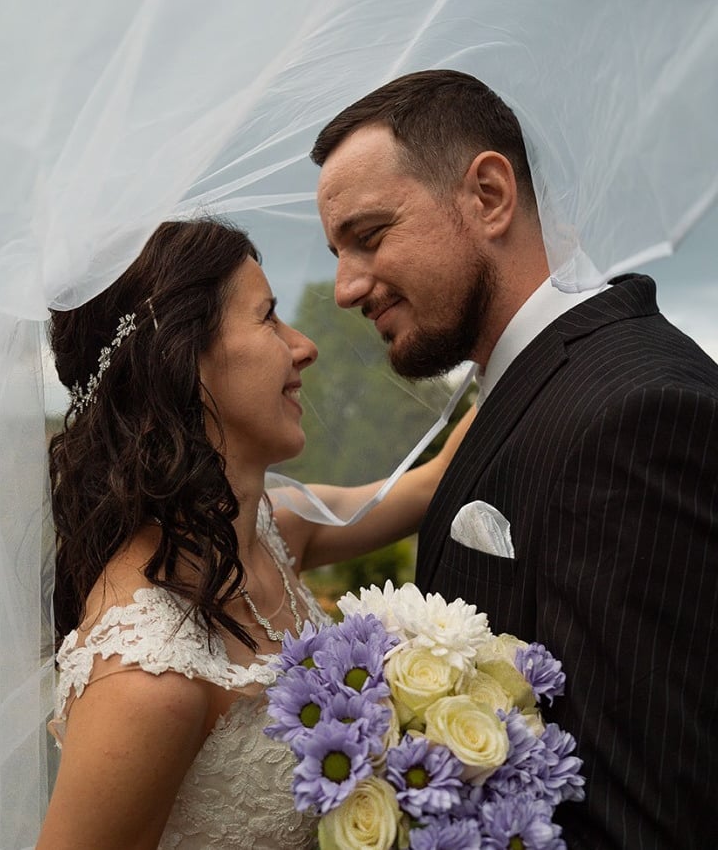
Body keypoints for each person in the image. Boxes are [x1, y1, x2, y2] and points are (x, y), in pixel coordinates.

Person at [311, 69, 718, 849]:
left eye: (368, 236)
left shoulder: (635, 415)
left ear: (489, 195)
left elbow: (643, 816)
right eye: (335, 251)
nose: (344, 287)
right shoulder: (529, 391)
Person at [36, 218, 474, 850]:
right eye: (268, 317)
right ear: (183, 360)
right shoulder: (147, 673)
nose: (304, 346)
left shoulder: (272, 530)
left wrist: (522, 331)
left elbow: (429, 486)